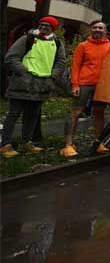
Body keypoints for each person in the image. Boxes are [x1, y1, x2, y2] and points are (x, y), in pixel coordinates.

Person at [1, 17, 66, 158]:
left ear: (52, 28)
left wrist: (52, 77)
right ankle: (5, 144)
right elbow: (11, 57)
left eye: (47, 26)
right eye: (42, 24)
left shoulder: (57, 43)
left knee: (32, 116)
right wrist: (24, 73)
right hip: (22, 83)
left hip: (42, 85)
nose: (44, 27)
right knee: (13, 114)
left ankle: (26, 142)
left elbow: (61, 62)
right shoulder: (27, 39)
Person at [60, 20, 110, 157]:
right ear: (91, 30)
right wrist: (75, 85)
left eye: (100, 27)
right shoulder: (83, 46)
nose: (97, 30)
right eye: (94, 27)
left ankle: (98, 142)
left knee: (99, 112)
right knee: (76, 112)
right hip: (84, 83)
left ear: (105, 31)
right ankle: (68, 145)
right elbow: (76, 66)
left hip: (102, 84)